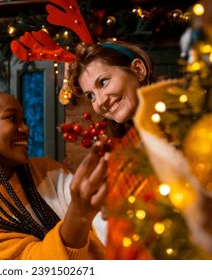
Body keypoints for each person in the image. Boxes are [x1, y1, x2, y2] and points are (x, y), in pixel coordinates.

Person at [0, 65, 108, 260]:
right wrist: (79, 215)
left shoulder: (47, 170)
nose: (25, 129)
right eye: (11, 118)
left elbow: (102, 224)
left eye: (24, 120)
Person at [68, 40, 208, 259]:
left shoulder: (188, 122)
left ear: (138, 70)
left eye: (103, 82)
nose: (100, 101)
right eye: (91, 96)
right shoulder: (119, 154)